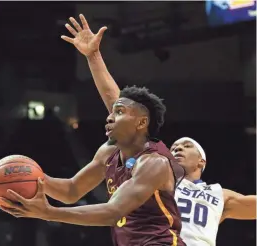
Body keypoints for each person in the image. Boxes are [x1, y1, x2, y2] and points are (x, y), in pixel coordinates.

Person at [61, 14, 257, 246]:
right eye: (175, 145)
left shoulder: (220, 195)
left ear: (201, 162)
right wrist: (94, 57)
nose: (177, 148)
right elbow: (118, 104)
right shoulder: (155, 170)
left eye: (187, 146)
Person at [0, 50, 186, 246]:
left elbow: (113, 212)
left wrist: (48, 213)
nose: (109, 117)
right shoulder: (110, 153)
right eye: (112, 113)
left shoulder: (154, 163)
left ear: (141, 123)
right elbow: (72, 190)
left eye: (119, 112)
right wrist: (32, 177)